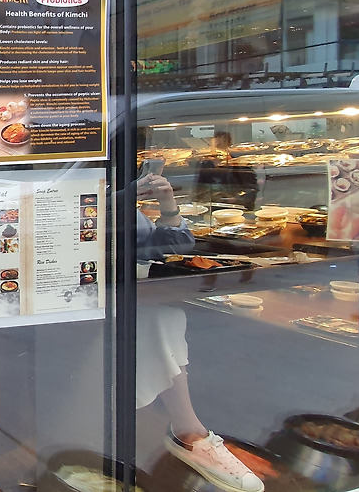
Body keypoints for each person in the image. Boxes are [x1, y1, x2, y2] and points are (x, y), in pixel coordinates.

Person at [136, 172, 265, 492]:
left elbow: (169, 247)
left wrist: (167, 204)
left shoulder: (113, 194)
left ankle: (190, 431)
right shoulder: (73, 191)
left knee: (170, 314)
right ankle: (189, 432)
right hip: (82, 301)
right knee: (162, 317)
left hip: (134, 294)